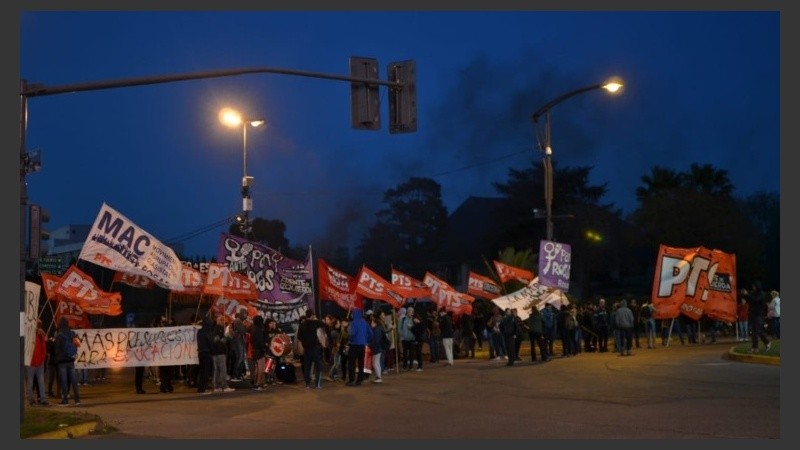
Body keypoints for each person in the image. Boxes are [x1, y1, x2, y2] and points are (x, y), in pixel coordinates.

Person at [55, 317, 80, 406]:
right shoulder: (72, 333)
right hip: (71, 360)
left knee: (64, 381)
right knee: (74, 380)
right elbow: (78, 344)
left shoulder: (59, 335)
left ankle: (65, 400)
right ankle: (77, 400)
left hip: (62, 361)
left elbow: (57, 349)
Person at [297, 310, 325, 389]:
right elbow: (323, 324)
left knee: (307, 367)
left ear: (306, 315)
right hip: (315, 348)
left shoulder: (302, 325)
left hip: (306, 349)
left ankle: (307, 384)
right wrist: (316, 319)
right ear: (312, 315)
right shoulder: (315, 323)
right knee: (318, 366)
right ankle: (317, 384)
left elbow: (299, 337)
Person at [26, 319, 49, 406]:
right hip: (34, 362)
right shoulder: (34, 335)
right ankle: (34, 399)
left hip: (36, 362)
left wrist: (42, 359)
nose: (38, 327)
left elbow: (44, 346)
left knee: (37, 381)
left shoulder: (39, 335)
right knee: (34, 381)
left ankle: (38, 399)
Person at [347, 308, 372, 385]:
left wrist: (350, 339)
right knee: (361, 363)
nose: (351, 315)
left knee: (351, 363)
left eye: (352, 313)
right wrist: (366, 340)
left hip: (354, 345)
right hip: (362, 345)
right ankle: (359, 380)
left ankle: (352, 380)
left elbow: (352, 334)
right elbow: (371, 333)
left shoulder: (353, 323)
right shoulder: (365, 322)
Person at [745, 282, 771, 353]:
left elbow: (756, 299)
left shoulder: (761, 294)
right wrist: (745, 295)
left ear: (757, 286)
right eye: (752, 286)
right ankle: (755, 348)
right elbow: (749, 300)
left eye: (754, 286)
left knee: (758, 330)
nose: (753, 288)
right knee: (753, 332)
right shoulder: (753, 294)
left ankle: (767, 342)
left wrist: (748, 295)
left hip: (759, 315)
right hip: (753, 315)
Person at [211, 314, 234, 392]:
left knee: (217, 370)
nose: (223, 321)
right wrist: (223, 342)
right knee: (222, 369)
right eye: (221, 320)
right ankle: (224, 386)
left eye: (223, 320)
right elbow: (216, 341)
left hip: (216, 353)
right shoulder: (218, 329)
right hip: (219, 353)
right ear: (218, 321)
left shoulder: (217, 329)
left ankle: (217, 386)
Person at [196, 314, 214, 394]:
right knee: (205, 372)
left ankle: (201, 388)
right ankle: (202, 389)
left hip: (200, 352)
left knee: (202, 371)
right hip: (206, 352)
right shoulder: (207, 331)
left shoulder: (199, 331)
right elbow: (210, 342)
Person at [368, 315, 386, 383]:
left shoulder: (377, 330)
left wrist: (369, 344)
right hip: (378, 347)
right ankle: (378, 376)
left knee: (375, 363)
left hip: (377, 348)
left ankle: (379, 377)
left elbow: (375, 340)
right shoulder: (379, 328)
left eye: (372, 322)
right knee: (377, 362)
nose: (371, 324)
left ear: (375, 323)